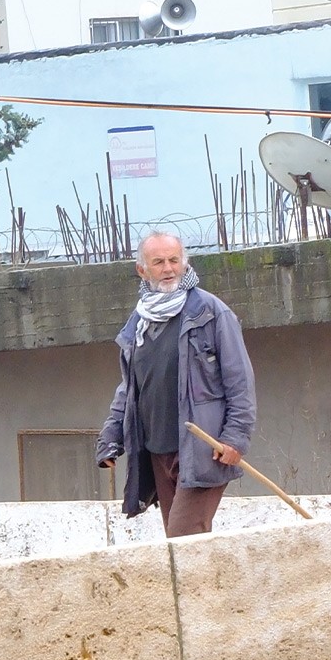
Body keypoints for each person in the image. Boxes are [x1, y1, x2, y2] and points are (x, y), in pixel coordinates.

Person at [96, 230, 255, 538]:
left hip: (203, 450)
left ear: (185, 263)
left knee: (183, 540)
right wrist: (110, 437)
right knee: (180, 549)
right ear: (142, 270)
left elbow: (241, 381)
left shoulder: (210, 313)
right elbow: (129, 388)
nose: (168, 269)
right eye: (158, 262)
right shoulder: (139, 322)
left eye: (174, 260)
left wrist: (236, 438)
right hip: (158, 452)